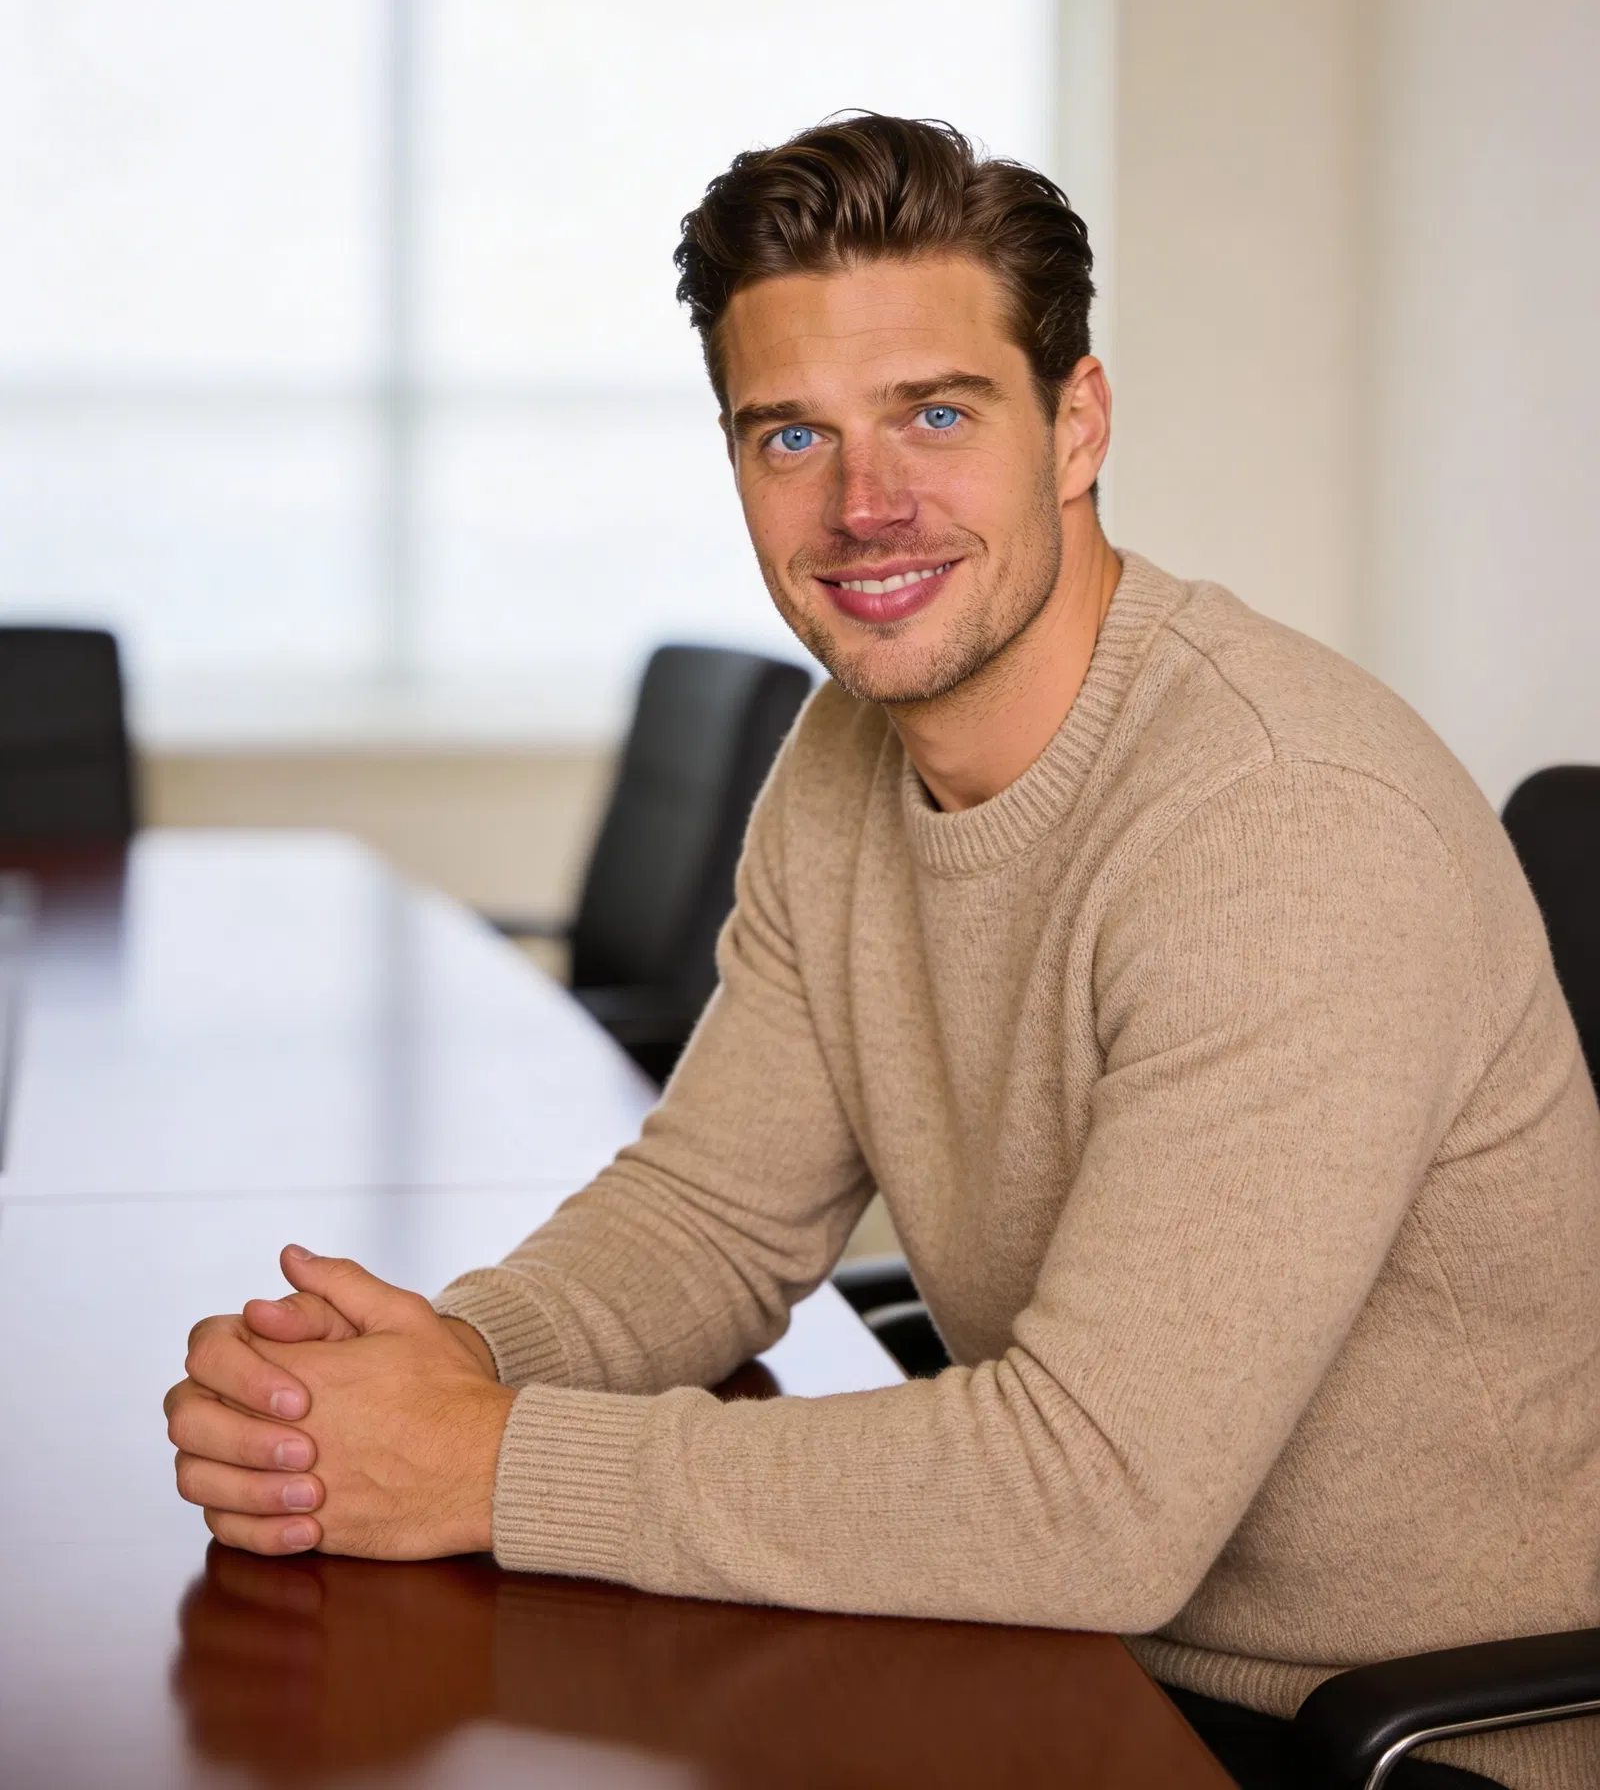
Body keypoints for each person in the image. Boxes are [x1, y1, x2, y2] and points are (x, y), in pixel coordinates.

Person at [166, 114, 1600, 1789]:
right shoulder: (853, 751)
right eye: (791, 436)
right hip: (1065, 1657)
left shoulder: (1284, 825)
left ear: (1078, 425)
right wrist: (433, 1375)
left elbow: (1091, 1499)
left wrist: (486, 1466)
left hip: (1379, 1737)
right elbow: (712, 1213)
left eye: (934, 411)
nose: (864, 504)